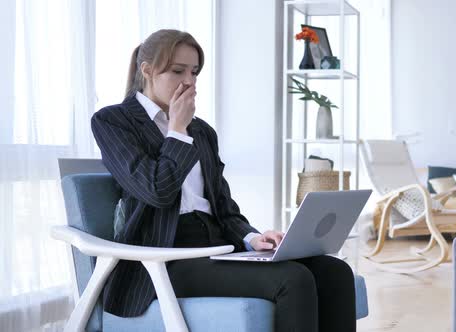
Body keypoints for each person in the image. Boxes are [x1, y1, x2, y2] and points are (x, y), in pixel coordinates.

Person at [91, 29, 356, 332]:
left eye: (194, 72)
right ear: (147, 70)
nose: (189, 81)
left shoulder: (202, 131)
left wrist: (253, 238)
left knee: (334, 271)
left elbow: (223, 206)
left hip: (218, 248)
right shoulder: (112, 121)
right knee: (292, 279)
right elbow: (157, 190)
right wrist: (177, 129)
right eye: (178, 71)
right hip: (163, 259)